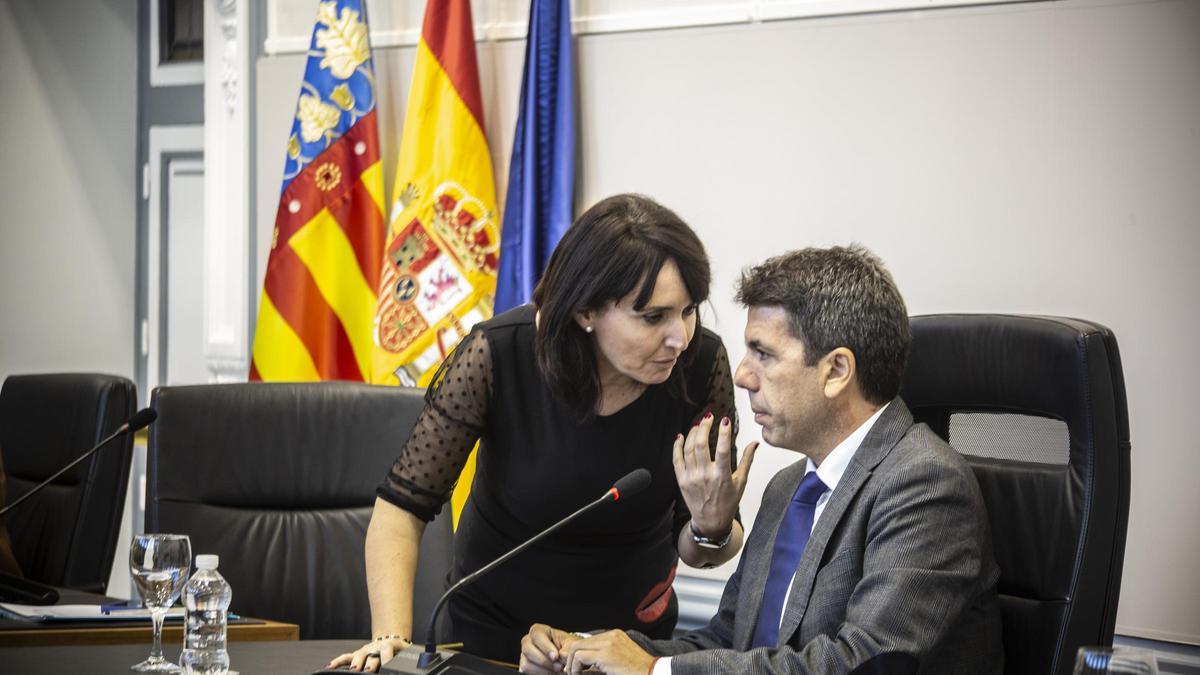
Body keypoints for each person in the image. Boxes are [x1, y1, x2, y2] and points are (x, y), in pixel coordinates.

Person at [520, 245, 1003, 674]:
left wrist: (653, 671)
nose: (743, 376)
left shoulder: (925, 483)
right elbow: (725, 641)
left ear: (836, 370)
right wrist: (586, 651)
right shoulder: (788, 488)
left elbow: (867, 661)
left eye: (763, 354)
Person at [329, 194, 758, 671]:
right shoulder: (498, 356)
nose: (679, 336)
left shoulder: (699, 366)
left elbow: (700, 551)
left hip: (627, 647)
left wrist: (710, 526)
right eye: (653, 317)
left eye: (688, 310)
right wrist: (391, 639)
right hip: (491, 639)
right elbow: (402, 509)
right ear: (585, 312)